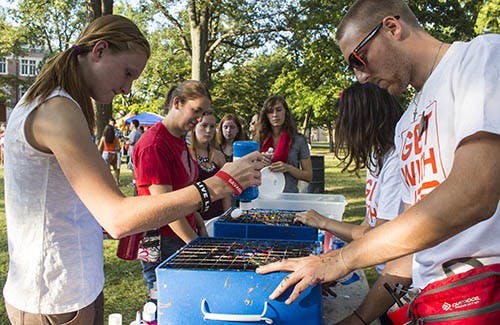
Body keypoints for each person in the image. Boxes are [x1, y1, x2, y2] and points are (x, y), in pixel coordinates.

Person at [3, 15, 263, 325]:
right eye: (127, 73)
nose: (127, 88)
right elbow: (117, 218)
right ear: (99, 51)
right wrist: (216, 186)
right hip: (56, 298)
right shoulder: (58, 110)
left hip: (59, 289)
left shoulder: (47, 102)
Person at [256, 0, 500, 312]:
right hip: (429, 304)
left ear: (392, 27)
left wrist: (342, 259)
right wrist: (359, 319)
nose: (360, 76)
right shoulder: (406, 123)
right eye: (353, 67)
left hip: (481, 298)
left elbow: (474, 193)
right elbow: (410, 245)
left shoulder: (480, 57)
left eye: (359, 59)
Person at [294, 82, 408, 324]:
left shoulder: (397, 161)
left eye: (345, 121)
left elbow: (378, 237)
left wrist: (325, 223)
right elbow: (367, 228)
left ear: (366, 121)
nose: (341, 129)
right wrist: (333, 263)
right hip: (388, 281)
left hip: (406, 288)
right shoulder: (377, 156)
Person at [133, 80, 213, 294]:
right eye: (196, 111)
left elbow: (185, 193)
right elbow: (167, 209)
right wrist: (194, 244)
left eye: (203, 113)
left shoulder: (179, 139)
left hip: (182, 234)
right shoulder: (154, 145)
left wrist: (200, 225)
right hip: (160, 239)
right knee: (167, 301)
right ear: (177, 103)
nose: (199, 119)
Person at [256, 95, 312, 193]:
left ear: (286, 112)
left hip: (289, 196)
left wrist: (288, 168)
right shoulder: (259, 139)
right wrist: (260, 162)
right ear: (266, 115)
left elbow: (308, 176)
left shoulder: (298, 140)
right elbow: (250, 170)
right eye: (270, 111)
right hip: (263, 196)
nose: (274, 115)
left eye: (278, 110)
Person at [190, 110, 231, 220]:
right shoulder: (186, 155)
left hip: (217, 217)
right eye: (204, 125)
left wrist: (226, 218)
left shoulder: (219, 156)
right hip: (194, 218)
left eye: (212, 126)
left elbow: (226, 190)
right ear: (194, 127)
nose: (208, 130)